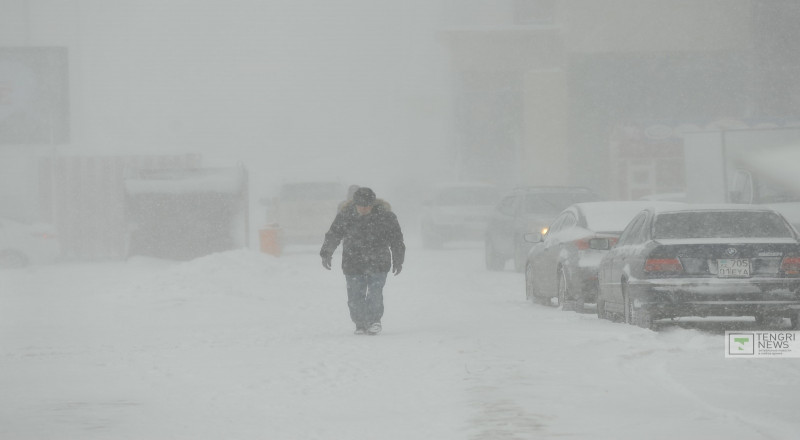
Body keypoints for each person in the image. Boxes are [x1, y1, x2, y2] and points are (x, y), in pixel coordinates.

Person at [320, 187, 405, 335]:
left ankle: (374, 321)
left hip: (378, 262)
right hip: (353, 262)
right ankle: (360, 323)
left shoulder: (386, 217)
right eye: (360, 205)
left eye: (367, 206)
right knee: (355, 296)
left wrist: (398, 259)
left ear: (373, 204)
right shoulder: (345, 216)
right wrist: (326, 253)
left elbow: (396, 239)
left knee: (375, 294)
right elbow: (333, 235)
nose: (364, 209)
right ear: (355, 204)